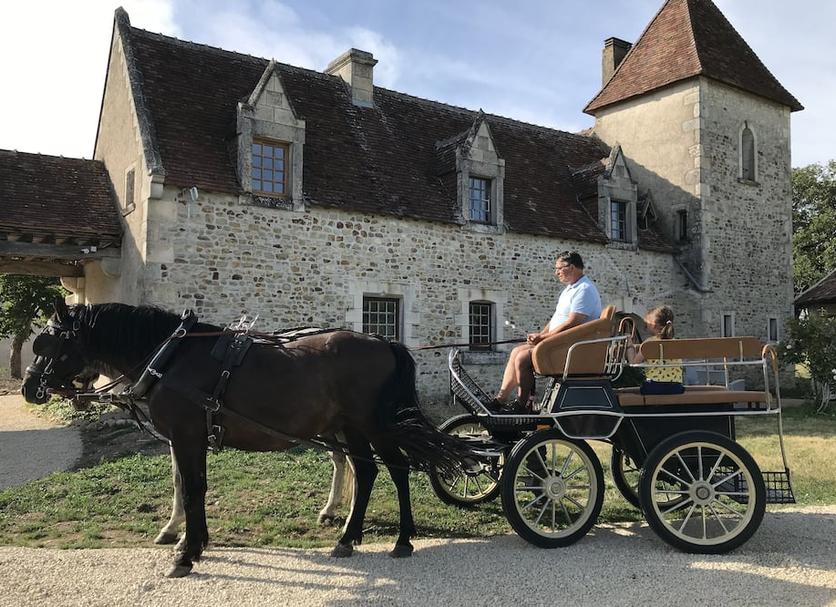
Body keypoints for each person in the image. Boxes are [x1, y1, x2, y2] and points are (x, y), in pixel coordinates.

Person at [494, 251, 602, 412]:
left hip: (572, 349)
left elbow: (573, 323)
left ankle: (523, 405)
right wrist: (541, 336)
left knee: (523, 357)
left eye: (559, 268)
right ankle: (500, 400)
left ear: (571, 267)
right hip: (561, 344)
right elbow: (556, 320)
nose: (556, 272)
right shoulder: (570, 289)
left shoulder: (584, 289)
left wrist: (544, 338)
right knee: (517, 351)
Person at [626, 305, 685, 394]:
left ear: (653, 324)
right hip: (676, 387)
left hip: (654, 387)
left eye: (646, 324)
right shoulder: (676, 343)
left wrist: (629, 345)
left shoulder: (649, 344)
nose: (645, 327)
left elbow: (634, 363)